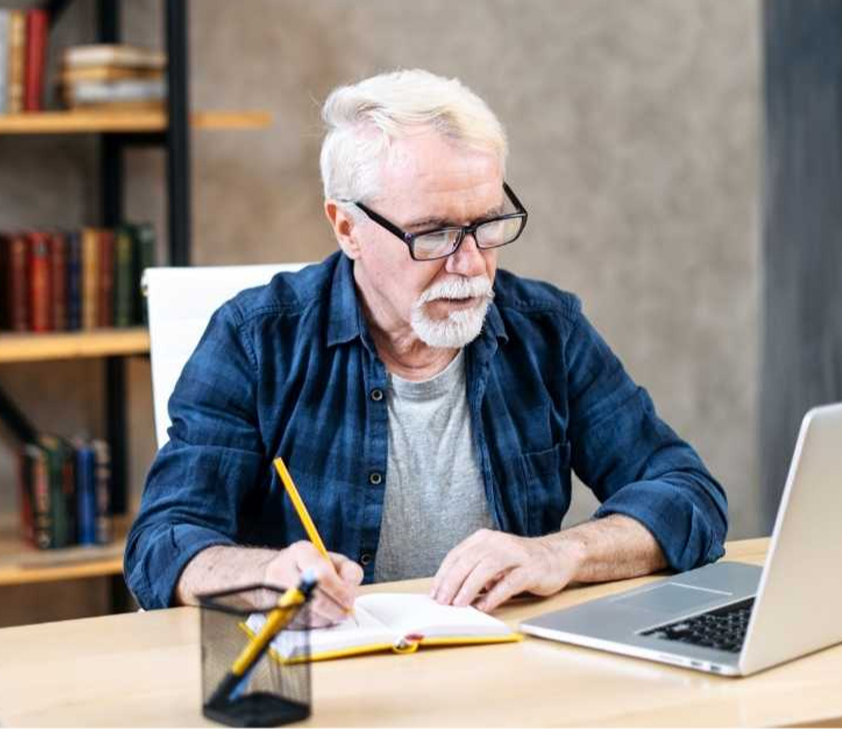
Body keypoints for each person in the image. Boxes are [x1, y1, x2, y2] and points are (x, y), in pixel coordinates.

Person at [124, 69, 728, 622]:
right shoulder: (256, 340)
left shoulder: (547, 329)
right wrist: (266, 576)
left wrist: (561, 553)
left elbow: (687, 493)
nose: (470, 264)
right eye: (434, 233)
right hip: (336, 684)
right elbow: (163, 542)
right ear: (347, 227)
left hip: (512, 674)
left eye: (488, 224)